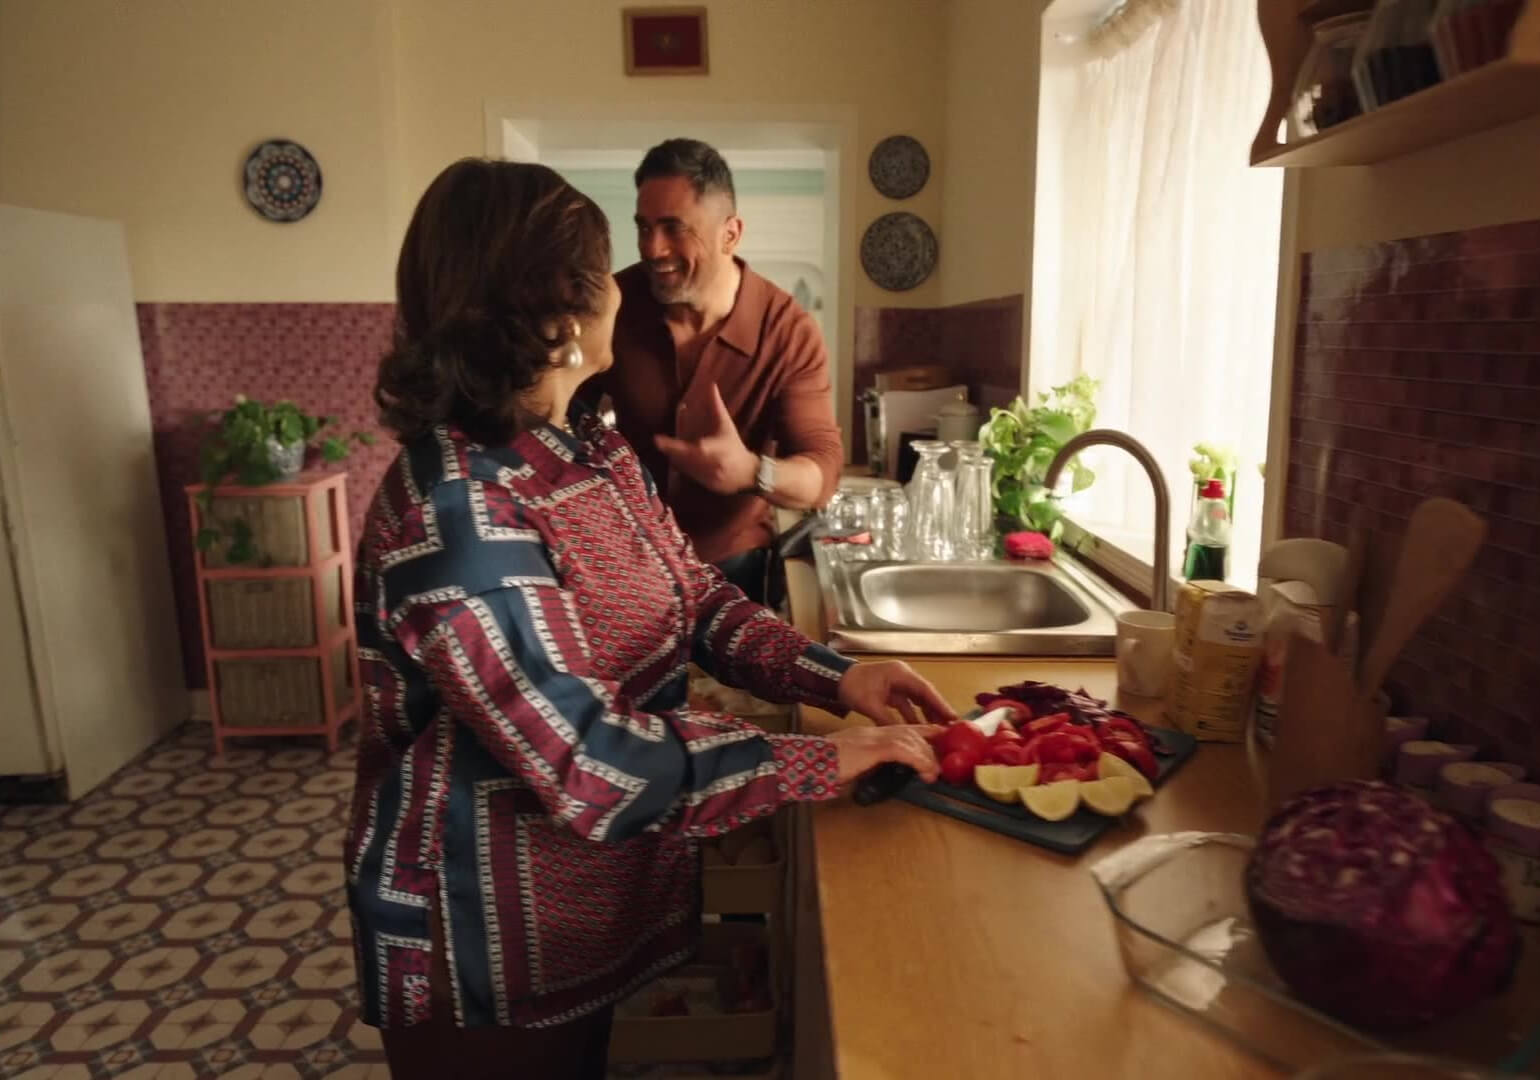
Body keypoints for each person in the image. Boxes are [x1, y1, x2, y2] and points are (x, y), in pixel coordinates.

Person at [346, 157, 952, 1080]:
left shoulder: (588, 444)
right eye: (604, 269)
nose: (624, 286)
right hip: (480, 942)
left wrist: (841, 678)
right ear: (559, 313)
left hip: (580, 912)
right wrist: (813, 760)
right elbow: (589, 760)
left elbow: (696, 598)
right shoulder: (458, 510)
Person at [589, 138, 841, 605]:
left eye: (674, 227)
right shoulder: (614, 304)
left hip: (734, 569)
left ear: (731, 234)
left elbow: (822, 472)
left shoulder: (787, 330)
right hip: (628, 562)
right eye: (644, 227)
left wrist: (751, 472)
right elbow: (559, 413)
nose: (652, 248)